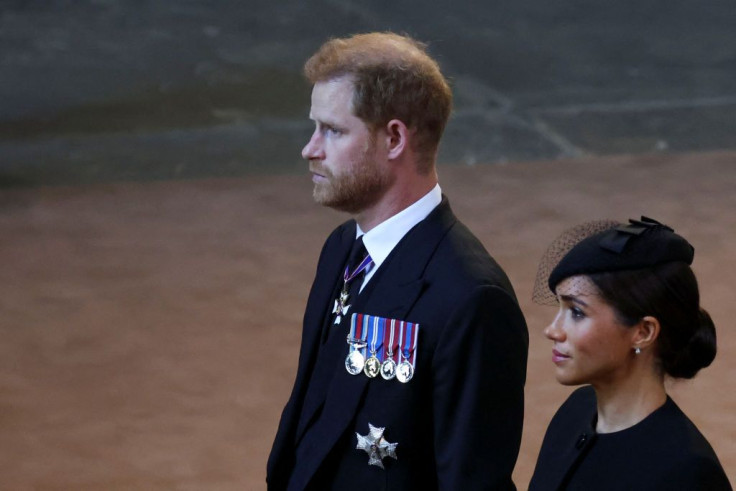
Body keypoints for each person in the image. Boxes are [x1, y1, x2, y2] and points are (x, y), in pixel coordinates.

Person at [266, 32, 528, 490]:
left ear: (393, 139)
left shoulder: (471, 300)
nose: (311, 148)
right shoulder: (342, 249)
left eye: (333, 130)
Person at [529, 217, 732, 490]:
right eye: (560, 308)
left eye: (576, 312)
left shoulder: (688, 473)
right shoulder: (574, 412)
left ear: (644, 332)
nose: (552, 330)